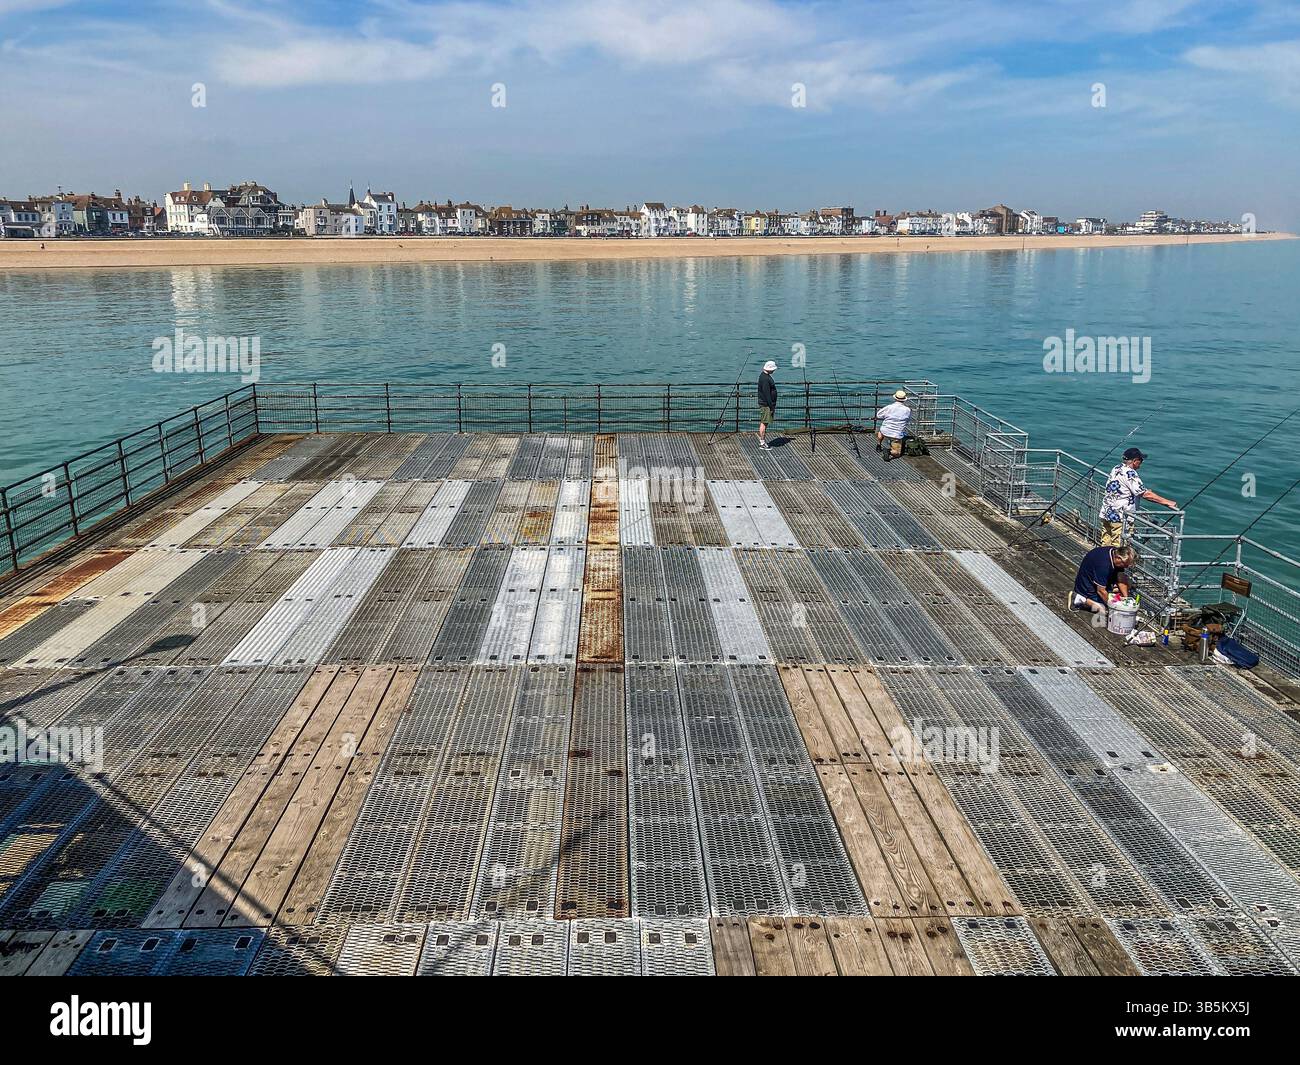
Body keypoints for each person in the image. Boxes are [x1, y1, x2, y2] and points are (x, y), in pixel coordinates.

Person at [1099, 447, 1178, 546]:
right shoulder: (1130, 473)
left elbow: (1124, 488)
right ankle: (1114, 561)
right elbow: (1146, 495)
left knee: (1106, 542)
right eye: (1141, 460)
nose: (1141, 463)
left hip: (1107, 511)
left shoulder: (1116, 468)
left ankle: (1103, 560)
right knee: (1119, 547)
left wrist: (1142, 491)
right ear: (1135, 461)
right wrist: (1168, 502)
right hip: (1120, 516)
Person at [1070, 543, 1137, 616]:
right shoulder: (1103, 566)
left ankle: (1111, 595)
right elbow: (1101, 591)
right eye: (1125, 564)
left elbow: (1120, 577)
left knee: (1128, 583)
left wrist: (1125, 598)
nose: (1126, 567)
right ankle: (1079, 598)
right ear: (1118, 558)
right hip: (1088, 587)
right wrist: (1112, 607)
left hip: (1101, 579)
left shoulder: (1114, 552)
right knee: (1105, 610)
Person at [876, 389, 912, 461]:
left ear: (895, 398)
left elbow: (878, 415)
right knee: (897, 453)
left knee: (881, 430)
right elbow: (909, 419)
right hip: (896, 435)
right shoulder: (907, 410)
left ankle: (879, 444)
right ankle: (889, 451)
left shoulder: (889, 407)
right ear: (904, 400)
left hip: (885, 431)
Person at [757, 360, 778, 450]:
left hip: (766, 404)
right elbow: (767, 393)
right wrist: (771, 406)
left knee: (764, 422)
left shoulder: (764, 376)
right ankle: (762, 443)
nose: (774, 371)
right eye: (773, 369)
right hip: (766, 404)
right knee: (764, 423)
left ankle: (763, 441)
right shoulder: (765, 379)